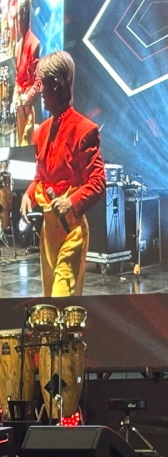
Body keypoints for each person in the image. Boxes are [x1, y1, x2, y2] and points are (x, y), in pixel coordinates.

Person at [19, 50, 106, 296]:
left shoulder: (84, 130)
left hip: (71, 230)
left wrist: (71, 202)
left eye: (42, 85)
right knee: (51, 299)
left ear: (56, 85)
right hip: (48, 231)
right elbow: (41, 175)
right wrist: (28, 194)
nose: (40, 92)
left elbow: (98, 182)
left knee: (62, 295)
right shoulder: (41, 132)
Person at [12, 0, 40, 146]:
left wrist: (26, 98)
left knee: (25, 144)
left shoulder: (34, 44)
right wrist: (15, 96)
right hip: (19, 106)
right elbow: (17, 78)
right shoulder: (18, 46)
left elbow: (38, 82)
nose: (18, 20)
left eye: (21, 16)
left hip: (27, 108)